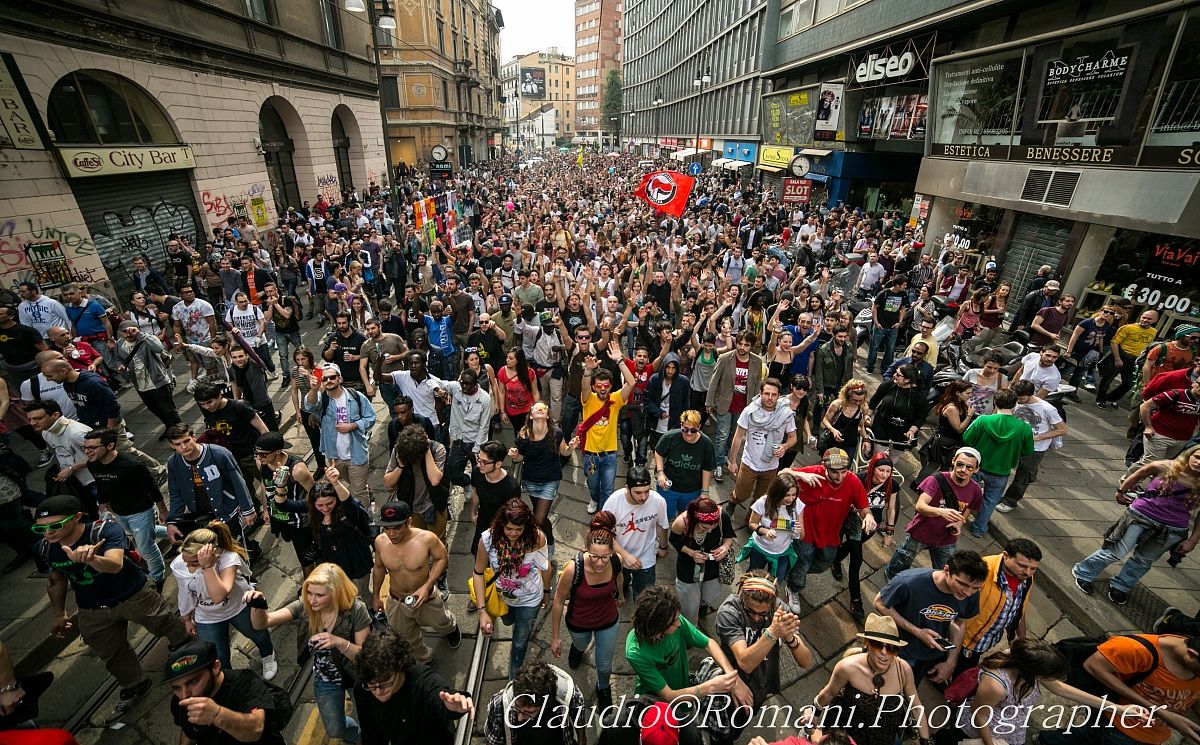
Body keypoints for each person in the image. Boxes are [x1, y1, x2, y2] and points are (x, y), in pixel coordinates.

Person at [34, 494, 190, 724]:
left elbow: (115, 564)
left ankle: (186, 651)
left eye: (55, 525)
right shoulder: (44, 548)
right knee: (111, 652)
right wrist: (59, 613)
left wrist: (91, 559)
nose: (48, 533)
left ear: (77, 517)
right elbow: (57, 580)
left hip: (132, 595)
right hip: (92, 608)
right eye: (41, 529)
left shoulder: (104, 531)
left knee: (165, 622)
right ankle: (134, 684)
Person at [939, 637, 1150, 745]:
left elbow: (1061, 689)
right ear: (1034, 671)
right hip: (982, 733)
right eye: (1050, 675)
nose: (1056, 680)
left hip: (1008, 729)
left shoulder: (1023, 660)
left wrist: (1118, 709)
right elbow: (980, 716)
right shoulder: (995, 685)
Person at [245, 563, 370, 743]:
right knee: (334, 728)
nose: (312, 600)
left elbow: (364, 656)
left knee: (370, 719)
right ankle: (355, 735)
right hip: (325, 676)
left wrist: (339, 642)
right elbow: (263, 623)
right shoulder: (306, 606)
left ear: (336, 592)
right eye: (309, 593)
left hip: (356, 675)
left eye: (319, 595)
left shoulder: (356, 610)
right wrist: (258, 605)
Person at [1073, 445, 1200, 606]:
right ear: (1189, 455)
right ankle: (1084, 573)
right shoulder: (1164, 466)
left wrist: (1192, 540)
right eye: (1197, 457)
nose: (1199, 462)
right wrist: (1121, 490)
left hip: (1173, 528)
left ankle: (1121, 586)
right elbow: (1140, 472)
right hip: (1141, 516)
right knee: (1115, 552)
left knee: (1143, 560)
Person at [624, 584, 752, 730]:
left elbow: (708, 643)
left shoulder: (673, 617)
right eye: (673, 623)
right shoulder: (636, 652)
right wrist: (711, 687)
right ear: (656, 627)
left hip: (684, 691)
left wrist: (732, 677)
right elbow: (669, 695)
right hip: (657, 706)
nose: (679, 624)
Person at [1037, 633, 1200, 745]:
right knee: (1086, 736)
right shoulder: (1136, 649)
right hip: (1117, 724)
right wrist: (1159, 712)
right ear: (1192, 654)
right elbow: (1091, 666)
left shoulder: (1191, 662)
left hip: (1154, 734)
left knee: (1084, 736)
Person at [714, 571, 813, 740]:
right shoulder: (730, 612)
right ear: (742, 597)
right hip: (729, 684)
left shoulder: (779, 609)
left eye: (763, 614)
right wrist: (773, 632)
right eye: (750, 611)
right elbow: (745, 662)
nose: (757, 617)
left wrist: (789, 637)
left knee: (737, 727)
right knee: (720, 730)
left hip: (761, 685)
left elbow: (806, 662)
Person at [172, 521, 275, 679]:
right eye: (185, 561)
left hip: (238, 607)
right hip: (207, 616)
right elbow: (185, 593)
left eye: (192, 563)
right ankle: (230, 680)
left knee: (257, 634)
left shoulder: (228, 559)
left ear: (211, 554)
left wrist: (207, 567)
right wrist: (187, 618)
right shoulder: (179, 564)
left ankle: (267, 655)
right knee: (218, 656)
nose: (187, 566)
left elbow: (219, 595)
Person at [808, 613, 930, 745]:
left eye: (891, 647)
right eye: (878, 644)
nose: (884, 652)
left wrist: (926, 741)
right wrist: (813, 714)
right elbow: (829, 693)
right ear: (867, 643)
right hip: (846, 737)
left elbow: (916, 707)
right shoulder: (848, 667)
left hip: (884, 738)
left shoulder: (903, 670)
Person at [873, 549, 986, 684]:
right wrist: (917, 631)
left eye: (975, 588)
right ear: (946, 570)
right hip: (893, 650)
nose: (967, 592)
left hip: (926, 659)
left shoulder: (971, 595)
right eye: (962, 584)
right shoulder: (909, 582)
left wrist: (951, 662)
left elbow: (960, 624)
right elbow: (879, 603)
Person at [548, 511, 624, 708]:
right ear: (586, 550)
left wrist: (621, 595)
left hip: (608, 620)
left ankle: (603, 687)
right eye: (594, 557)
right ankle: (577, 649)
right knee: (581, 645)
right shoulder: (573, 569)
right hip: (579, 623)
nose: (599, 562)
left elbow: (619, 577)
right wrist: (555, 637)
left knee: (605, 665)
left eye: (604, 557)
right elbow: (558, 601)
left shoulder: (616, 561)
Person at [370, 501, 460, 663]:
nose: (392, 534)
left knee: (442, 622)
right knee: (406, 638)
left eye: (397, 527)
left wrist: (427, 586)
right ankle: (425, 659)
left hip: (426, 597)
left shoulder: (426, 539)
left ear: (409, 522)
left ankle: (452, 629)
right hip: (397, 600)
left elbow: (441, 557)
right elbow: (378, 567)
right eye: (387, 528)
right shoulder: (380, 542)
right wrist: (376, 595)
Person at [471, 498, 551, 679]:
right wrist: (482, 611)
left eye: (518, 529)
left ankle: (513, 677)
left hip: (530, 599)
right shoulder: (487, 539)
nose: (513, 533)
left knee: (520, 642)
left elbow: (545, 567)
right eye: (509, 529)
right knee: (508, 621)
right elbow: (478, 572)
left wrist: (547, 592)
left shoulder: (536, 538)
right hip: (502, 596)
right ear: (501, 525)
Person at [352, 627, 473, 745]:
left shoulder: (422, 682)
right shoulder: (363, 686)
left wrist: (452, 706)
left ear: (400, 666)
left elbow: (438, 694)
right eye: (372, 685)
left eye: (385, 682)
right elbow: (369, 731)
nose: (378, 691)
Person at [83, 427, 169, 591]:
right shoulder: (93, 464)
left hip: (141, 510)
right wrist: (103, 507)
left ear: (110, 446)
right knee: (143, 533)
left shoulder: (132, 465)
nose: (88, 451)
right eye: (85, 447)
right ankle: (175, 533)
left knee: (146, 547)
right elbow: (101, 485)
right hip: (119, 511)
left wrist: (163, 509)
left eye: (92, 447)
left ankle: (157, 577)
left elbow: (152, 488)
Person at [788, 449, 874, 600]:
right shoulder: (813, 472)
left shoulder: (853, 482)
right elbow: (782, 472)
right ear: (824, 466)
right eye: (835, 472)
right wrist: (800, 474)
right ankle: (793, 587)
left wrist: (868, 517)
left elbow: (863, 508)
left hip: (830, 533)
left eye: (844, 472)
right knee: (803, 561)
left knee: (825, 563)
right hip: (805, 531)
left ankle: (791, 568)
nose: (840, 477)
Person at [885, 447, 983, 580]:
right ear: (953, 461)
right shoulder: (936, 479)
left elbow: (969, 507)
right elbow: (920, 505)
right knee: (902, 561)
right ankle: (891, 577)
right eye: (960, 464)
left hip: (946, 539)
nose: (963, 470)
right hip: (921, 532)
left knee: (945, 571)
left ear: (976, 469)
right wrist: (941, 512)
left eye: (969, 467)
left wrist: (959, 523)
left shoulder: (975, 489)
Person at [165, 640, 286, 745]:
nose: (185, 695)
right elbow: (188, 730)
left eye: (193, 682)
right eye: (176, 688)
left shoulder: (246, 683)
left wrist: (217, 714)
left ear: (215, 667)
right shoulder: (179, 701)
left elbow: (255, 728)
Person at [955, 538, 1042, 677]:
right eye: (1022, 566)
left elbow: (1018, 608)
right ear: (1006, 555)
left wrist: (1020, 638)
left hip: (985, 641)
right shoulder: (982, 571)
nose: (1028, 572)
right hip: (965, 640)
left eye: (1033, 568)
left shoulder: (1026, 578)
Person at [163, 424, 257, 547]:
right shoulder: (174, 462)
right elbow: (176, 494)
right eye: (178, 444)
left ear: (193, 437)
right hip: (201, 515)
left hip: (227, 511)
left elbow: (238, 483)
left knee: (235, 547)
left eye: (186, 441)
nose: (184, 447)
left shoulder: (219, 454)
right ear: (172, 445)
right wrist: (172, 521)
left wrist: (248, 509)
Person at [834, 453, 902, 620]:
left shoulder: (892, 485)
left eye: (888, 471)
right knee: (856, 560)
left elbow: (891, 509)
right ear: (873, 468)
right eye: (881, 470)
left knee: (848, 547)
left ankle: (835, 560)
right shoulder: (860, 479)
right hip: (851, 522)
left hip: (870, 527)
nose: (884, 475)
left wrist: (889, 533)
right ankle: (856, 600)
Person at [963, 388, 1034, 537]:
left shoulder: (983, 420)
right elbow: (1028, 451)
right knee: (990, 502)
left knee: (964, 494)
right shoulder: (1024, 428)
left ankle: (954, 518)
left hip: (976, 467)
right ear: (1015, 405)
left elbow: (967, 438)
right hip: (1002, 471)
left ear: (995, 401)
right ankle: (978, 529)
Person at [727, 378, 798, 524]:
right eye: (766, 394)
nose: (770, 398)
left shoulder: (785, 414)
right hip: (749, 463)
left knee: (762, 498)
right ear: (760, 394)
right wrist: (733, 461)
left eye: (773, 394)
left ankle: (751, 521)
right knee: (742, 493)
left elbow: (793, 438)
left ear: (779, 396)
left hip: (771, 466)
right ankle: (733, 500)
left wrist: (784, 447)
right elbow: (738, 436)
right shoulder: (750, 411)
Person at [304, 362, 376, 500]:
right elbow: (310, 406)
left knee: (358, 493)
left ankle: (363, 519)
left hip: (357, 454)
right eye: (324, 379)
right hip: (335, 457)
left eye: (332, 377)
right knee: (355, 483)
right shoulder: (322, 400)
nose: (328, 381)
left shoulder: (356, 397)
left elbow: (371, 417)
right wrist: (314, 389)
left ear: (340, 378)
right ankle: (367, 490)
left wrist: (353, 425)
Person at [579, 343, 637, 513]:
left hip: (610, 454)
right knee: (593, 485)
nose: (603, 388)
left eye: (606, 385)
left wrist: (620, 360)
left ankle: (604, 514)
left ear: (611, 386)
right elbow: (583, 387)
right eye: (599, 386)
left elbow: (631, 382)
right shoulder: (588, 399)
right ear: (594, 387)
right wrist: (588, 371)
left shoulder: (616, 399)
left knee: (608, 489)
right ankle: (594, 499)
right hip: (590, 455)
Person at [996, 379, 1068, 513]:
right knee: (1001, 469)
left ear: (1030, 394)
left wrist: (1038, 437)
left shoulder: (1047, 409)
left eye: (1021, 398)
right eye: (1016, 397)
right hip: (1012, 444)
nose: (1018, 401)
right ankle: (995, 493)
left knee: (1023, 475)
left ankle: (1010, 501)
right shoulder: (1014, 402)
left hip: (1035, 448)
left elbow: (1062, 429)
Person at [509, 401, 571, 553]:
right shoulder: (524, 435)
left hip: (550, 480)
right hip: (531, 480)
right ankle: (549, 539)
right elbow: (519, 458)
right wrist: (515, 455)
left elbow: (565, 452)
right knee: (541, 518)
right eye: (536, 408)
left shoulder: (556, 433)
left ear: (547, 415)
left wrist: (572, 447)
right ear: (530, 416)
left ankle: (527, 546)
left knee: (537, 520)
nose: (540, 409)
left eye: (543, 409)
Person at [194, 382, 270, 504]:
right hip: (231, 457)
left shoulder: (240, 407)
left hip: (251, 454)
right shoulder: (208, 411)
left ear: (219, 396)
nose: (207, 407)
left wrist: (265, 453)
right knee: (244, 488)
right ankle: (255, 511)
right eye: (202, 404)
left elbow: (263, 429)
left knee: (268, 481)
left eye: (209, 402)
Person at [602, 466, 670, 601]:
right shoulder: (614, 502)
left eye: (647, 491)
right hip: (619, 557)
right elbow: (605, 533)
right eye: (638, 493)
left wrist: (663, 547)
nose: (643, 497)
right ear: (628, 488)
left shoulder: (658, 501)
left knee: (644, 599)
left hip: (646, 558)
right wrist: (625, 556)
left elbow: (662, 525)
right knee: (620, 584)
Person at [707, 332, 765, 483]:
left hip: (744, 406)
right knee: (722, 435)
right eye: (740, 343)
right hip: (725, 404)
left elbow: (758, 384)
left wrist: (757, 405)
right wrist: (709, 402)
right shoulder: (725, 358)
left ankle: (727, 456)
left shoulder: (757, 361)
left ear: (751, 346)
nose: (742, 347)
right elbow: (714, 381)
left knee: (735, 436)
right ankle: (718, 464)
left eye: (746, 345)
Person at [483, 662, 587, 745]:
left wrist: (582, 741)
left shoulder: (569, 696)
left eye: (528, 712)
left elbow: (579, 720)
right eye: (517, 708)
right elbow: (493, 741)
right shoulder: (499, 705)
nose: (519, 718)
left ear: (545, 704)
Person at [669, 497, 735, 624]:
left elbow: (728, 537)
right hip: (688, 567)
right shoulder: (682, 522)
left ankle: (702, 606)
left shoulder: (722, 516)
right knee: (689, 604)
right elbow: (674, 540)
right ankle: (690, 628)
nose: (710, 530)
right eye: (704, 527)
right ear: (695, 520)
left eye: (714, 526)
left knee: (709, 595)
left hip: (712, 566)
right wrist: (691, 552)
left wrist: (725, 547)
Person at [115, 321, 181, 431]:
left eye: (131, 330)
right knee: (155, 410)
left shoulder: (147, 338)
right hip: (140, 385)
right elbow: (118, 359)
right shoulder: (120, 344)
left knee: (169, 410)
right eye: (124, 332)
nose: (128, 334)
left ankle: (180, 432)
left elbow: (159, 348)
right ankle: (169, 428)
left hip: (158, 382)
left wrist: (140, 334)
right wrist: (121, 366)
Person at [743, 471, 804, 587]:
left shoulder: (797, 505)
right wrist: (765, 531)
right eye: (787, 495)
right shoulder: (763, 502)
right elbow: (752, 523)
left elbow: (802, 536)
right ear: (777, 492)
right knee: (753, 577)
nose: (791, 499)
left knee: (776, 583)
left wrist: (798, 530)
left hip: (782, 552)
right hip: (760, 548)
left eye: (794, 494)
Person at [654, 410, 717, 520]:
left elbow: (707, 468)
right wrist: (660, 472)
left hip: (692, 490)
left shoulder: (706, 444)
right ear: (681, 425)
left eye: (693, 430)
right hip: (669, 488)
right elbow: (659, 452)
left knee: (686, 518)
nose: (688, 433)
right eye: (685, 429)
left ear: (699, 427)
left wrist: (705, 492)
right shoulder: (670, 437)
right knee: (664, 517)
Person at [1097, 309, 1160, 409]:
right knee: (1107, 380)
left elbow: (1148, 346)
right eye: (1144, 317)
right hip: (1121, 355)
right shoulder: (1128, 328)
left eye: (1149, 319)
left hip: (1135, 360)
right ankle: (1100, 399)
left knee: (1128, 383)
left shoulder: (1153, 331)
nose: (1145, 320)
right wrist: (1117, 358)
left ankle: (1111, 398)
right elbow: (1114, 342)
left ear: (1155, 320)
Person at [865, 276, 909, 374]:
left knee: (890, 349)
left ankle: (885, 368)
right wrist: (876, 322)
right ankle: (870, 367)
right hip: (880, 326)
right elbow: (874, 307)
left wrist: (900, 322)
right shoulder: (884, 293)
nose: (905, 287)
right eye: (904, 285)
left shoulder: (903, 295)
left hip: (893, 327)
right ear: (897, 285)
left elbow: (902, 309)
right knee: (874, 348)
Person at [818, 379, 868, 458]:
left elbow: (861, 426)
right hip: (833, 442)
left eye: (860, 400)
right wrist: (833, 430)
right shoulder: (837, 404)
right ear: (848, 395)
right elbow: (825, 420)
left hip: (850, 445)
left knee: (844, 469)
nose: (858, 403)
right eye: (854, 400)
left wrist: (866, 440)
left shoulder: (863, 408)